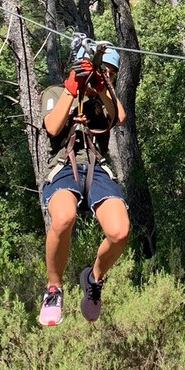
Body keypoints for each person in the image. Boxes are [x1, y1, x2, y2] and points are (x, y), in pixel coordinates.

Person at [38, 44, 131, 326]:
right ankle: (53, 289)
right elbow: (53, 127)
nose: (105, 76)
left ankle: (94, 279)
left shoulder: (105, 98)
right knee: (63, 217)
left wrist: (103, 87)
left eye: (111, 73)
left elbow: (119, 118)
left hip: (97, 167)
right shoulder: (55, 93)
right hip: (64, 166)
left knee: (119, 231)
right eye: (102, 71)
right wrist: (72, 86)